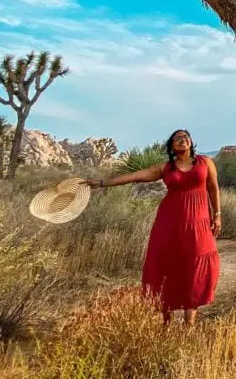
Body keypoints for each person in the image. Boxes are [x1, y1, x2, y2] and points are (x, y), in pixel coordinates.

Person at [85, 129, 221, 325]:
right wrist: (102, 182)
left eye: (185, 137)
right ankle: (166, 320)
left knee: (196, 265)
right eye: (177, 139)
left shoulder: (206, 162)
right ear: (172, 146)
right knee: (167, 266)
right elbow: (135, 176)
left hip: (199, 223)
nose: (182, 140)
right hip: (169, 223)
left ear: (191, 141)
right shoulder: (165, 168)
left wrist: (217, 215)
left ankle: (189, 324)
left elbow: (213, 187)